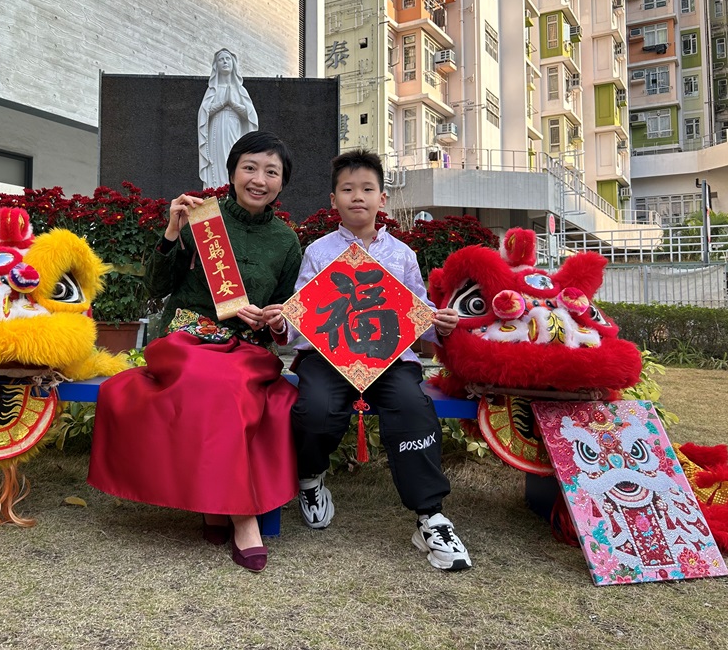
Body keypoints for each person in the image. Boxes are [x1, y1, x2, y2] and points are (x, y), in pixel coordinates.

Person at [88, 131, 302, 573]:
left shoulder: (286, 241)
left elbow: (285, 312)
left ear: (282, 183)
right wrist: (172, 231)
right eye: (250, 167)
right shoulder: (203, 219)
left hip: (246, 347)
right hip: (189, 338)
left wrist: (272, 318)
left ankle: (215, 505)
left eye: (271, 172)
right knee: (216, 383)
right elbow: (157, 286)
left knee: (233, 385)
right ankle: (243, 517)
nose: (259, 179)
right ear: (232, 171)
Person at [289, 149, 472, 571]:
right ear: (333, 199)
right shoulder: (317, 252)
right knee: (315, 409)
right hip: (328, 357)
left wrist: (441, 323)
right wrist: (284, 321)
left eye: (367, 189)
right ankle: (311, 479)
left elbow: (419, 315)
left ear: (382, 198)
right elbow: (302, 316)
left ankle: (430, 516)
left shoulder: (403, 255)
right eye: (347, 189)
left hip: (390, 359)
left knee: (412, 407)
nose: (358, 197)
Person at [198, 49, 259, 188]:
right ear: (216, 66)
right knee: (219, 159)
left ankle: (234, 189)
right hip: (217, 128)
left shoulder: (240, 90)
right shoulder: (213, 90)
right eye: (221, 60)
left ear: (233, 63)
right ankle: (218, 189)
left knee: (234, 157)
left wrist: (233, 104)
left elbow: (250, 115)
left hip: (235, 127)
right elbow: (204, 113)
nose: (225, 62)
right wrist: (222, 103)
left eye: (227, 59)